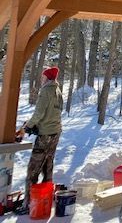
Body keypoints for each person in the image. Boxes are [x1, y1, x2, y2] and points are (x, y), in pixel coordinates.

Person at [16, 67, 63, 215]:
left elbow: (39, 113)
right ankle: (45, 198)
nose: (41, 79)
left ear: (47, 78)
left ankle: (28, 202)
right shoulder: (58, 91)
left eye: (43, 77)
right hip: (55, 133)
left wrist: (26, 128)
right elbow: (55, 111)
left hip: (45, 135)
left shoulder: (46, 91)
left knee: (33, 169)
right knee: (48, 166)